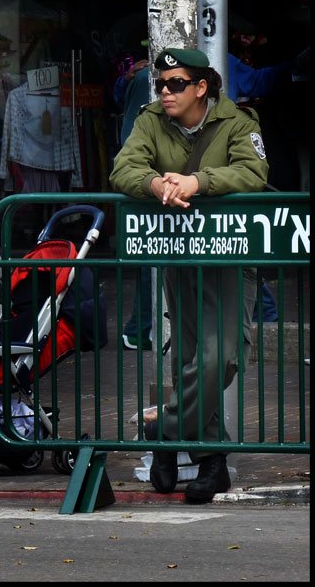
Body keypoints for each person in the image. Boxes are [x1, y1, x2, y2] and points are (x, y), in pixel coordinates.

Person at [109, 47, 268, 503]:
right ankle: (211, 463)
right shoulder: (150, 120)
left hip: (229, 256)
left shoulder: (237, 121)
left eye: (176, 83)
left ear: (202, 86)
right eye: (160, 84)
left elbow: (254, 171)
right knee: (190, 358)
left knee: (224, 356)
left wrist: (199, 182)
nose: (164, 91)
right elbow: (125, 167)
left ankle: (165, 429)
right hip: (178, 254)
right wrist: (156, 184)